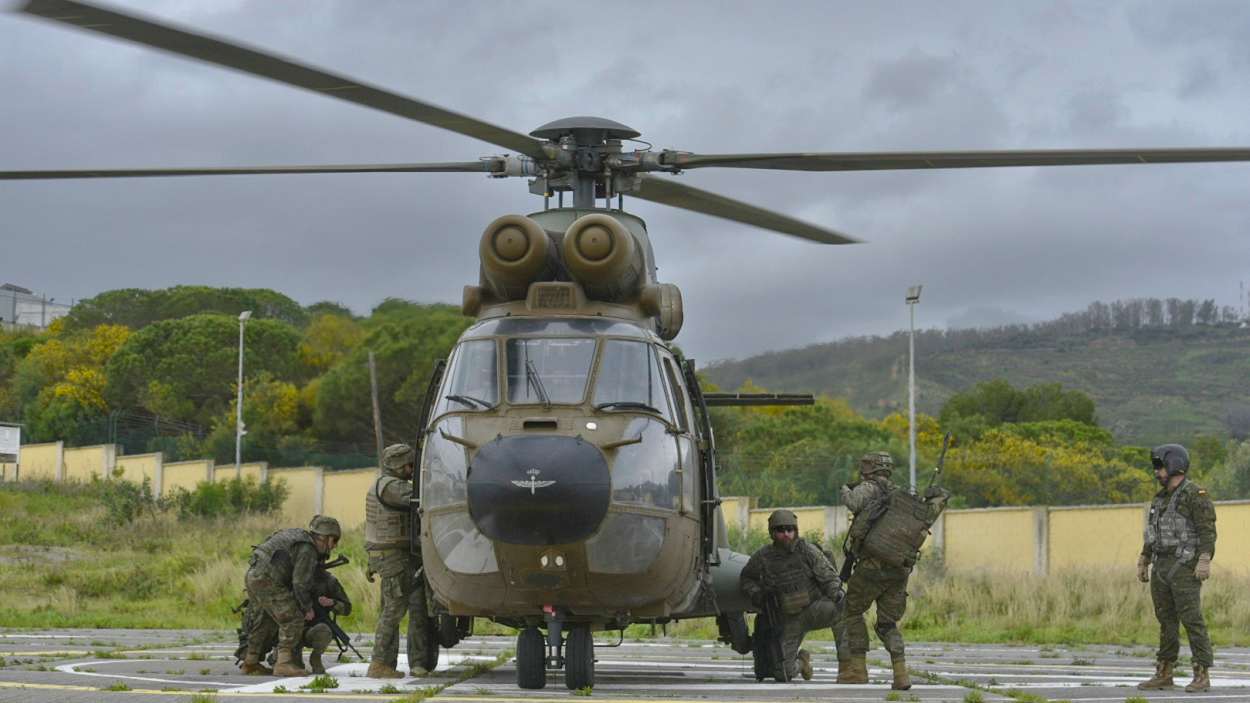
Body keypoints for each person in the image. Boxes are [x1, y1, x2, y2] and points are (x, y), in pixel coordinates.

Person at [839, 451, 947, 690]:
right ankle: (901, 674)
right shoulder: (902, 495)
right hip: (898, 569)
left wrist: (845, 488)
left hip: (871, 567)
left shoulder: (869, 488)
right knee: (887, 624)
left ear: (872, 468)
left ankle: (858, 670)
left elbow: (854, 502)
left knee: (852, 612)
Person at [1137, 443, 1217, 693]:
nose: (1156, 473)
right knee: (1166, 621)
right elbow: (1153, 531)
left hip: (1184, 566)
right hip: (1161, 565)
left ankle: (1201, 673)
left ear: (1174, 465)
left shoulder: (1195, 494)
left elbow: (1207, 531)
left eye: (1159, 467)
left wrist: (1204, 559)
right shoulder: (1159, 498)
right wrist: (1144, 558)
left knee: (1192, 620)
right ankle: (1164, 672)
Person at [739, 509, 843, 682]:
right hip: (787, 620)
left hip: (814, 609)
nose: (786, 534)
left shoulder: (807, 551)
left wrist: (837, 594)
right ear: (772, 533)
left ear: (795, 530)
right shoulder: (763, 557)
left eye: (790, 529)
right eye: (780, 530)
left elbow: (828, 577)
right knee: (783, 673)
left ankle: (848, 666)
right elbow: (747, 578)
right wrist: (757, 594)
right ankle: (802, 662)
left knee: (844, 611)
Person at [240, 514, 342, 676]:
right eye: (334, 541)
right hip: (268, 580)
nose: (334, 546)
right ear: (325, 538)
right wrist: (307, 607)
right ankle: (284, 663)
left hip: (253, 575)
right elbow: (300, 583)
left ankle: (250, 662)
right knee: (293, 618)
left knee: (264, 619)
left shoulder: (296, 536)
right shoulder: (308, 548)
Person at [366, 443, 431, 679]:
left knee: (414, 608)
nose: (411, 469)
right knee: (393, 611)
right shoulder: (391, 487)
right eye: (409, 465)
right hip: (394, 558)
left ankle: (413, 663)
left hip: (399, 556)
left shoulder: (388, 484)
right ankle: (379, 663)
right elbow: (420, 500)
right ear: (398, 465)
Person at [237, 560, 353, 675]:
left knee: (324, 631)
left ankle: (315, 658)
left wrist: (332, 603)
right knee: (294, 667)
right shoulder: (287, 578)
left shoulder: (328, 581)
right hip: (287, 630)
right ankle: (276, 656)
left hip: (311, 629)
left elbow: (347, 608)